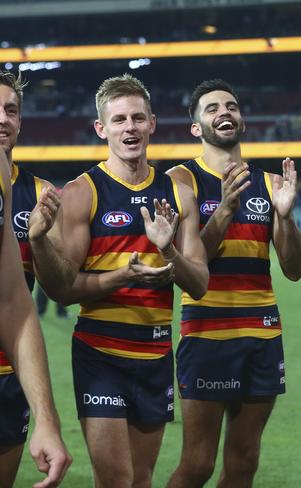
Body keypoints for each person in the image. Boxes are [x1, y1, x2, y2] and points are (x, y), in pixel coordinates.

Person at [32, 74, 209, 488]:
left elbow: (199, 283)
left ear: (152, 123)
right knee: (115, 481)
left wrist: (169, 253)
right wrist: (123, 276)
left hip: (156, 354)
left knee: (142, 480)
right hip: (101, 354)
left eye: (137, 118)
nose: (129, 127)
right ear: (102, 128)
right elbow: (63, 289)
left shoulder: (179, 193)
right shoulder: (81, 192)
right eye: (119, 120)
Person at [166, 79, 301, 488]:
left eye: (230, 106)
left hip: (261, 335)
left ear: (241, 119)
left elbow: (294, 268)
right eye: (211, 109)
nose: (224, 112)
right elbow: (191, 264)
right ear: (196, 128)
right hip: (207, 334)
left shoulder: (269, 183)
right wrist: (225, 209)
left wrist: (285, 217)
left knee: (244, 462)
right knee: (198, 465)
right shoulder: (182, 179)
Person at [0, 69, 73, 487]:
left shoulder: (35, 191)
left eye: (11, 110)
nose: (3, 119)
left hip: (9, 374)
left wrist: (41, 242)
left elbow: (41, 294)